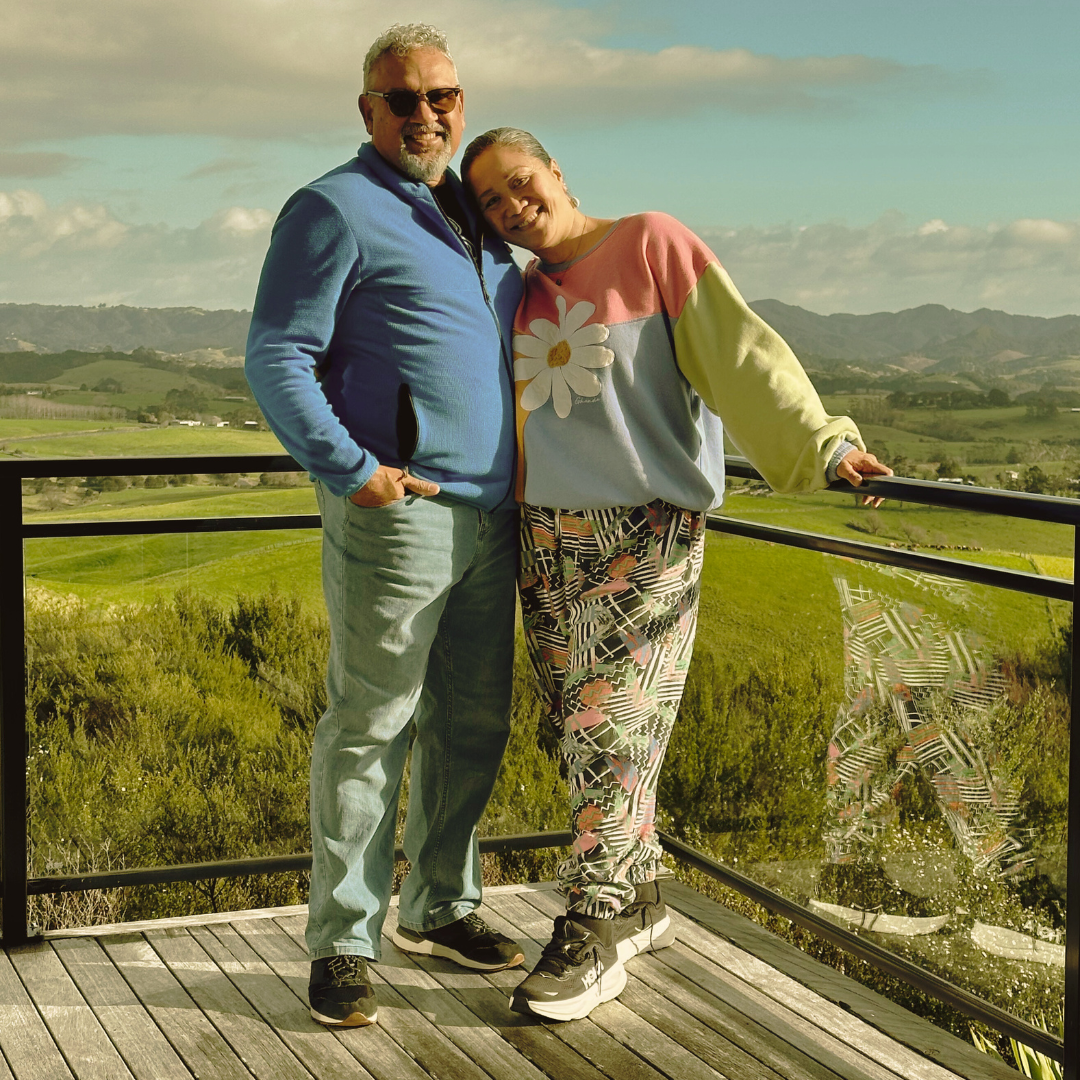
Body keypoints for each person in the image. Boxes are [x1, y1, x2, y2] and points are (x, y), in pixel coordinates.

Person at [460, 127, 892, 1021]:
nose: (511, 207)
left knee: (611, 725)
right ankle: (643, 890)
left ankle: (595, 920)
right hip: (545, 540)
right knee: (583, 735)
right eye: (492, 202)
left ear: (557, 171)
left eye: (520, 183)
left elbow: (743, 354)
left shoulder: (652, 243)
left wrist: (825, 443)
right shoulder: (519, 289)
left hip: (645, 534)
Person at [245, 28, 526, 1029]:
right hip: (398, 517)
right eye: (400, 99)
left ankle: (439, 909)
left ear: (461, 99)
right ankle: (344, 942)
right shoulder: (333, 207)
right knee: (370, 728)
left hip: (493, 520)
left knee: (472, 725)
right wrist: (354, 472)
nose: (425, 114)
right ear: (367, 112)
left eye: (440, 95)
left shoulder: (483, 219)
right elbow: (276, 354)